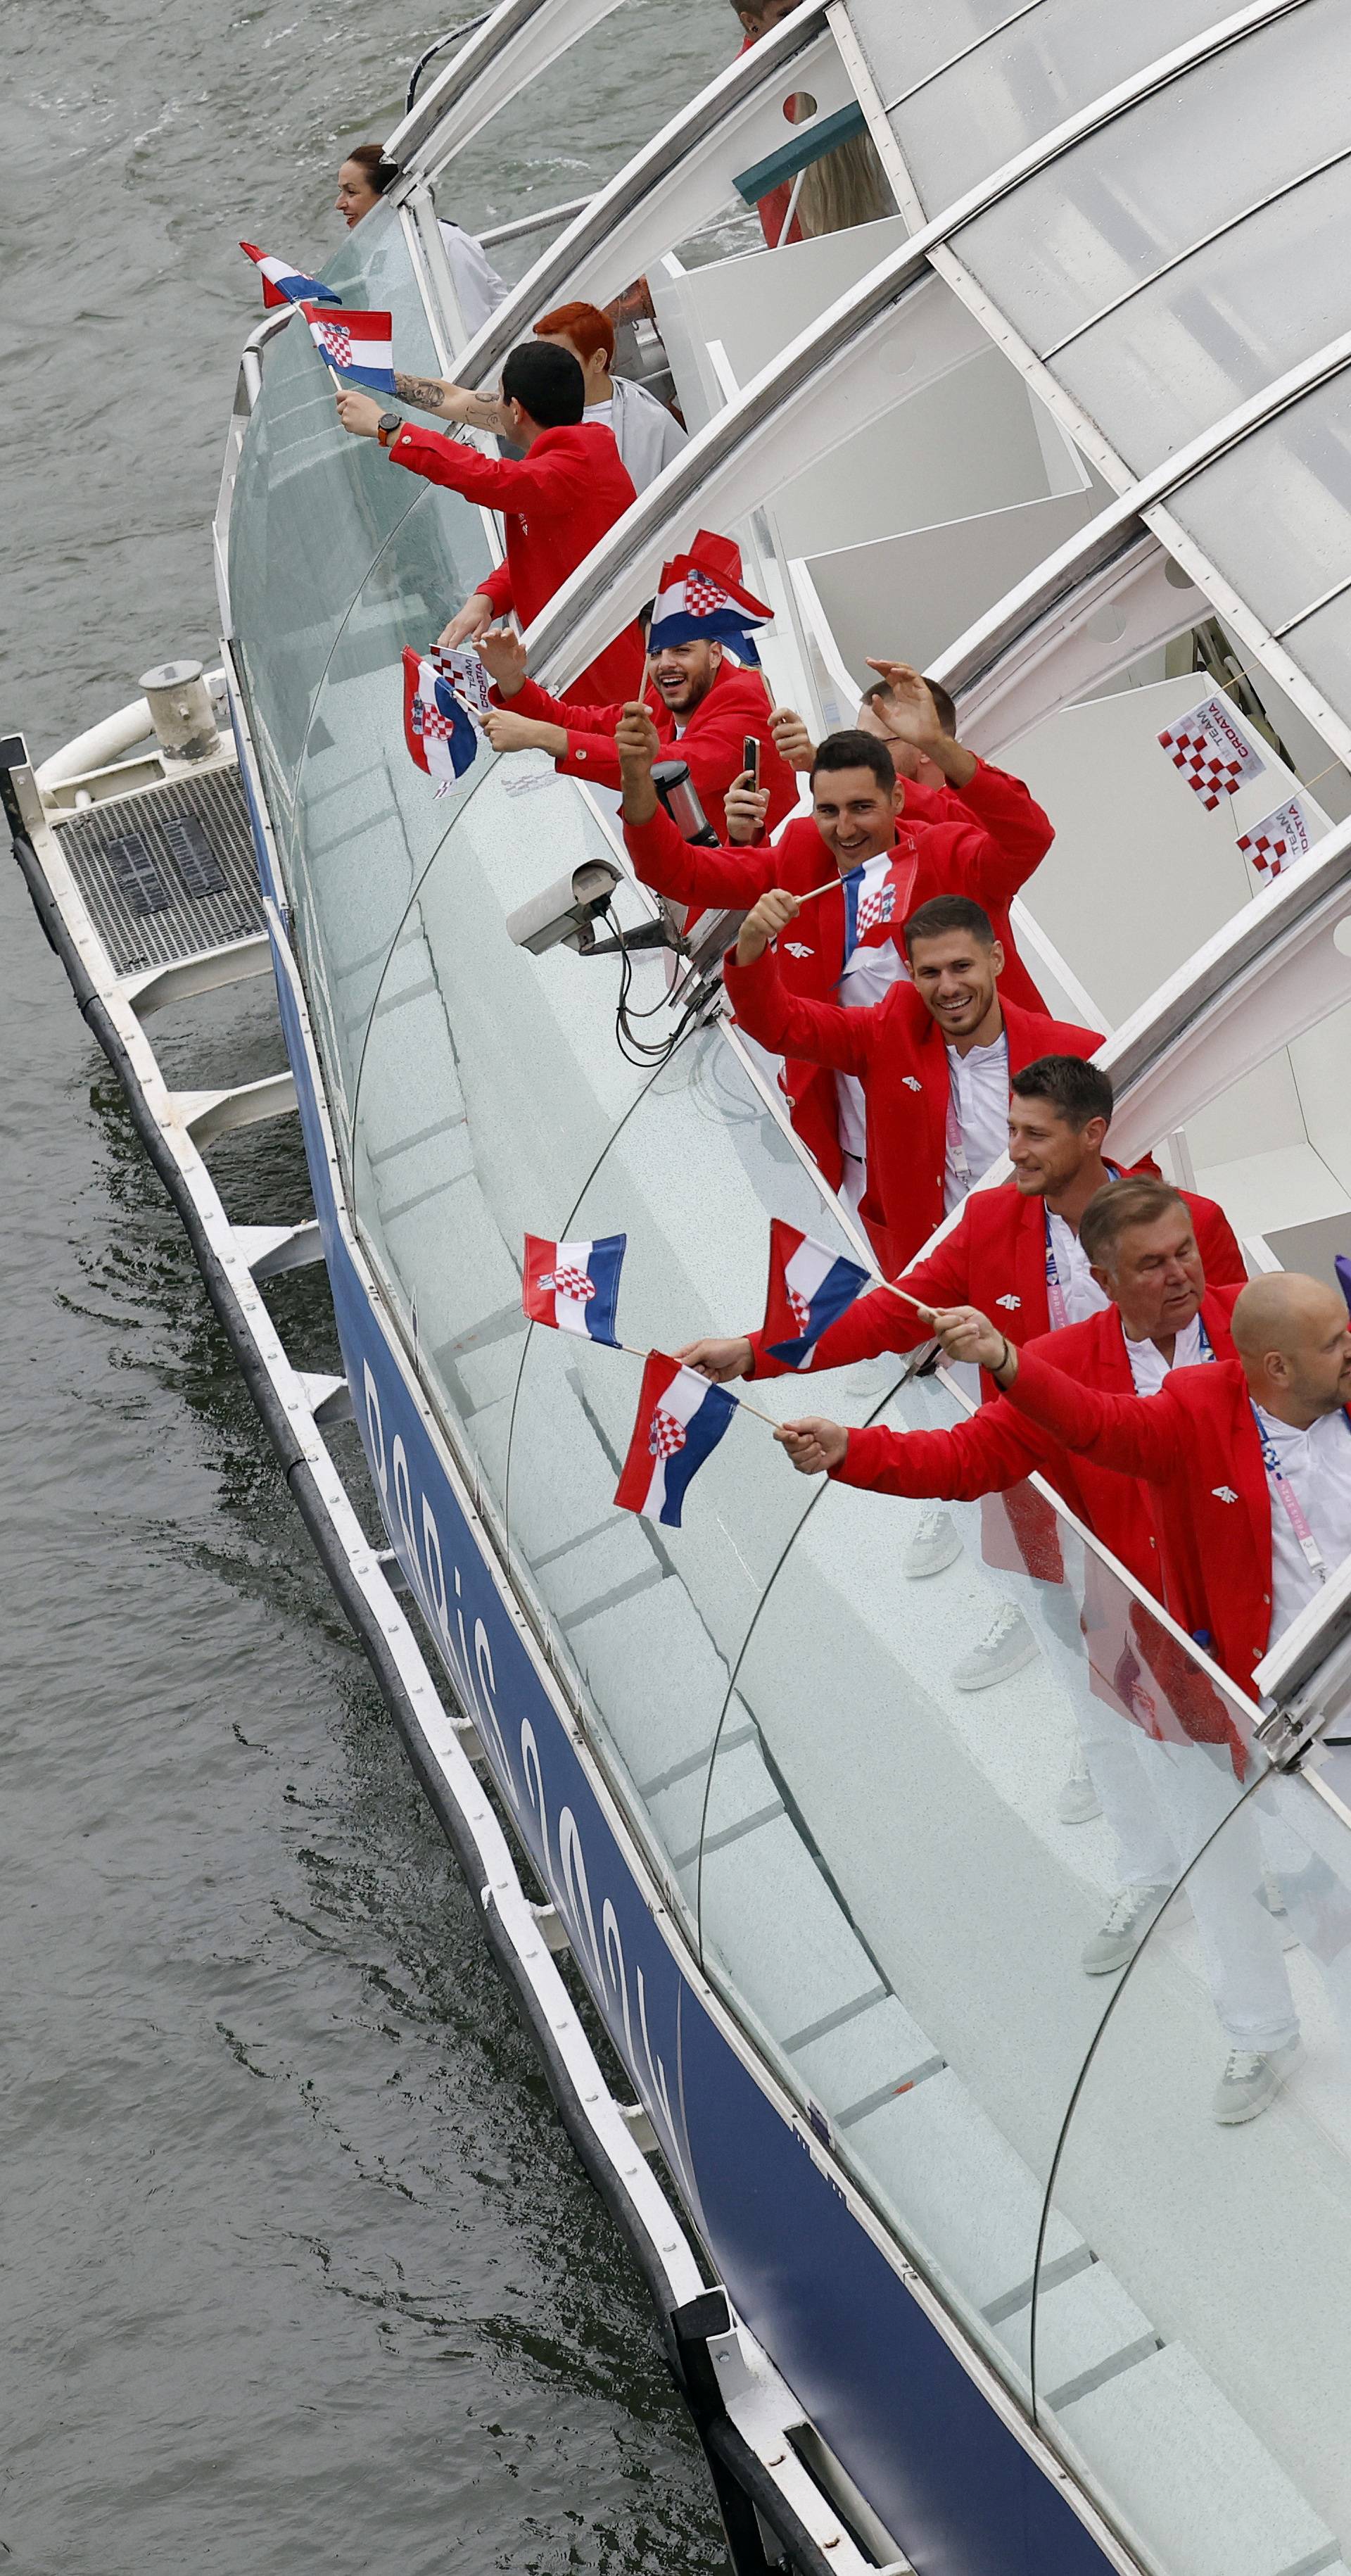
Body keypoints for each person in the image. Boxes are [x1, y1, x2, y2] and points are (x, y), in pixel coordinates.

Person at [774, 1181, 1307, 2123]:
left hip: (1294, 1657)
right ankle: (1261, 2034)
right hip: (1157, 1649)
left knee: (1323, 1866)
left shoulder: (1268, 1330)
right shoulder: (1061, 1369)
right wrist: (848, 1449)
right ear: (1103, 1278)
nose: (1180, 1272)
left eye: (1184, 1250)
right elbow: (968, 1458)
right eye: (1151, 1263)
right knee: (1210, 1853)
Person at [677, 1062, 1243, 1687]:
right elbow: (893, 1316)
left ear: (1092, 1134)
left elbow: (1237, 1347)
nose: (1014, 1152)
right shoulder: (991, 1224)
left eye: (1034, 1136)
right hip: (1060, 1487)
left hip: (1200, 1492)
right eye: (1011, 1130)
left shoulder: (1191, 1224)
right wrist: (757, 1354)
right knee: (1102, 1668)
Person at [617, 714, 1055, 1215]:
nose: (844, 830)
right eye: (828, 810)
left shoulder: (948, 854)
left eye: (861, 808)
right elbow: (680, 873)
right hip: (878, 1156)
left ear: (896, 800)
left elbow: (1029, 837)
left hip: (1001, 1130)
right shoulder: (803, 860)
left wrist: (936, 742)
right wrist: (635, 782)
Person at [934, 1264, 1351, 1697]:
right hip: (1305, 1716)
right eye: (1333, 1344)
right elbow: (1089, 1422)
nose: (1350, 1348)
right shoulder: (1191, 1418)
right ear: (1278, 1368)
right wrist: (1004, 1358)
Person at [723, 890, 1102, 1274]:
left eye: (962, 967)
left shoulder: (1074, 1051)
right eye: (931, 973)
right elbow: (780, 1025)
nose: (949, 988)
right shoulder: (890, 1032)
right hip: (938, 1283)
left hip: (1052, 1276)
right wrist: (753, 944)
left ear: (996, 959)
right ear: (911, 974)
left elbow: (1132, 1168)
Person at [334, 342, 647, 704]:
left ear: (515, 410)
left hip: (604, 684)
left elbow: (488, 478)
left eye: (499, 397)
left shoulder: (566, 470)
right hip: (583, 664)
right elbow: (552, 551)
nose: (495, 404)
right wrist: (487, 598)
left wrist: (390, 430)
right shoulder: (578, 455)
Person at [476, 600, 798, 844]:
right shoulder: (665, 696)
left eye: (681, 650)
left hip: (761, 888)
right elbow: (576, 721)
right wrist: (510, 678)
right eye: (655, 653)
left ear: (715, 654)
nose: (665, 664)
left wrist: (546, 737)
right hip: (697, 880)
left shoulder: (746, 701)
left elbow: (670, 768)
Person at [778, 662, 1055, 881]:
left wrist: (824, 762)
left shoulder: (974, 816)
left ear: (924, 749)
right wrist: (744, 837)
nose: (860, 751)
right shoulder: (836, 823)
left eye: (875, 742)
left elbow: (946, 816)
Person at [731, 2, 892, 246]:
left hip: (823, 228)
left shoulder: (752, 76)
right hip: (811, 238)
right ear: (752, 23)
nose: (803, 20)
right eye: (786, 14)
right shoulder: (760, 92)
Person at [334, 143, 506, 339]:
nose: (339, 204)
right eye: (341, 192)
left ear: (387, 196)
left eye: (351, 192)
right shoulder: (381, 250)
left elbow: (471, 331)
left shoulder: (442, 242)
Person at [534, 302, 687, 491]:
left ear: (598, 360)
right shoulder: (536, 402)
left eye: (558, 359)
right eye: (539, 359)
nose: (544, 370)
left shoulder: (652, 424)